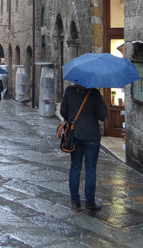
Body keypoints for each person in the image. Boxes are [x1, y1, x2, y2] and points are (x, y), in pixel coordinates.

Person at [60, 84, 107, 212]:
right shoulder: (95, 93)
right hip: (92, 136)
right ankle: (90, 202)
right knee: (90, 169)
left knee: (75, 167)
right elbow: (102, 115)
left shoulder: (69, 91)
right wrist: (101, 102)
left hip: (75, 135)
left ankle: (75, 201)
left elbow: (62, 111)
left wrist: (72, 119)